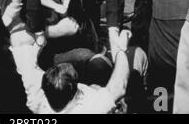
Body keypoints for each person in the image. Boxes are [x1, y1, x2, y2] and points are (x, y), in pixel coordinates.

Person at [10, 26, 138, 113]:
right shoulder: (89, 108)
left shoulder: (36, 98)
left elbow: (17, 41)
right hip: (104, 99)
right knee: (135, 56)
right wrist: (122, 49)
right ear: (73, 93)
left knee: (89, 60)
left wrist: (41, 40)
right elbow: (118, 87)